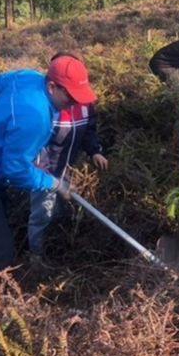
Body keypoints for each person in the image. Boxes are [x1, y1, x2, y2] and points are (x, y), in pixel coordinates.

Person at [0, 56, 97, 280]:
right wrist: (55, 184)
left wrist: (2, 117)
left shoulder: (29, 76)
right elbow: (15, 170)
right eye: (70, 96)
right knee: (1, 253)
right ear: (52, 86)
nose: (74, 103)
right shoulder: (35, 117)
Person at [28, 52, 108, 264]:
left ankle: (60, 244)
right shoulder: (46, 109)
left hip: (68, 169)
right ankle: (36, 255)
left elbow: (89, 129)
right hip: (43, 173)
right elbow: (36, 146)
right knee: (42, 214)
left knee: (62, 210)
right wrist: (48, 177)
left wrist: (95, 151)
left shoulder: (85, 103)